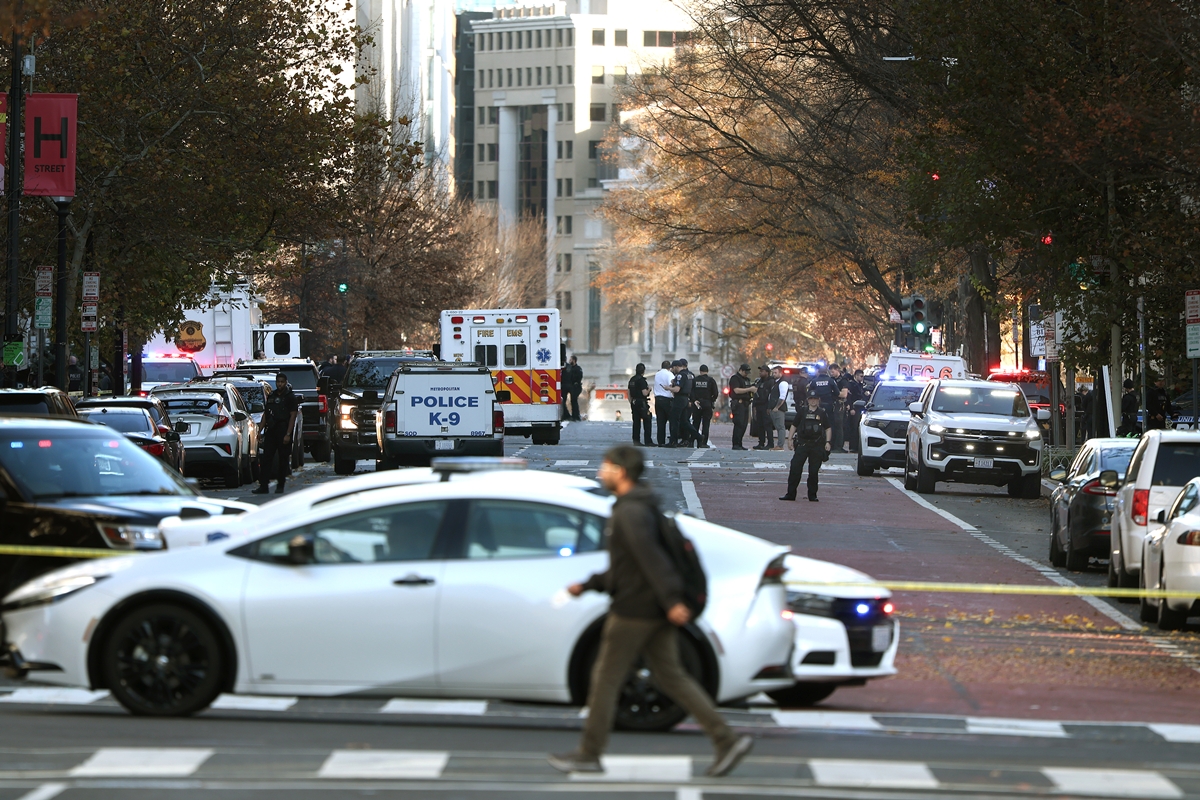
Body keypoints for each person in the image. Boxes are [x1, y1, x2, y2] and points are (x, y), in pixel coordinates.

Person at [550, 445, 754, 777]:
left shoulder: (629, 512)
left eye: (606, 467)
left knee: (605, 679)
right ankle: (726, 740)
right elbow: (629, 566)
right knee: (672, 677)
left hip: (634, 611)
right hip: (651, 607)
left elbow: (652, 560)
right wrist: (587, 585)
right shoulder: (640, 506)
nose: (601, 473)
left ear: (620, 472)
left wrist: (672, 600)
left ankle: (589, 753)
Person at [780, 388, 832, 502]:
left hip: (817, 445)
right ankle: (790, 494)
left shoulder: (822, 413)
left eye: (815, 399)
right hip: (802, 444)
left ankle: (812, 495)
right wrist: (789, 439)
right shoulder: (802, 411)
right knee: (795, 468)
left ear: (818, 400)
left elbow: (828, 428)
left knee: (813, 472)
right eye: (811, 399)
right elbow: (794, 425)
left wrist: (828, 442)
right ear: (808, 400)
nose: (813, 401)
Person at [253, 371, 300, 495]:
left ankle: (280, 485)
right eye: (278, 382)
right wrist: (260, 430)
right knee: (266, 459)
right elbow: (266, 414)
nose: (280, 384)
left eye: (282, 382)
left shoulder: (290, 397)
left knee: (283, 460)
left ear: (286, 383)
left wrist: (288, 434)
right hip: (271, 430)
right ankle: (263, 486)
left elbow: (293, 416)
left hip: (283, 429)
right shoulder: (272, 396)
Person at [668, 359, 696, 447]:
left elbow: (677, 389)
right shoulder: (690, 375)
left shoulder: (680, 375)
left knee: (675, 420)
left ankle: (673, 441)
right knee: (684, 421)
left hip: (679, 399)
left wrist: (668, 388)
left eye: (673, 368)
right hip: (687, 399)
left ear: (677, 367)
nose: (672, 370)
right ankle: (697, 436)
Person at [691, 365, 719, 448]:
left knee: (695, 423)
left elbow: (691, 392)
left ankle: (692, 442)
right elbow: (715, 393)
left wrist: (694, 400)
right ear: (707, 371)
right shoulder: (711, 380)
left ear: (700, 371)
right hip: (707, 404)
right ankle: (703, 443)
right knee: (706, 424)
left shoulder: (695, 380)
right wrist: (711, 400)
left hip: (697, 404)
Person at [728, 364, 754, 450]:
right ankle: (736, 444)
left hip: (746, 403)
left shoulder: (746, 380)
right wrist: (749, 389)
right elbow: (736, 390)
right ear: (741, 370)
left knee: (744, 425)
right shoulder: (735, 378)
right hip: (738, 403)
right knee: (738, 424)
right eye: (745, 372)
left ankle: (739, 443)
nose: (746, 374)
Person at [628, 363, 653, 445]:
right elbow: (644, 393)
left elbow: (628, 393)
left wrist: (631, 402)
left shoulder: (632, 380)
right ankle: (648, 441)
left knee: (636, 422)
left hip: (634, 402)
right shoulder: (642, 381)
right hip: (642, 403)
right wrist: (649, 389)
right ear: (643, 371)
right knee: (647, 420)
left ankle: (636, 440)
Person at [653, 360, 674, 447]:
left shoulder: (657, 374)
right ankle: (672, 440)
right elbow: (672, 385)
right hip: (667, 399)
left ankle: (660, 441)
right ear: (669, 367)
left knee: (660, 422)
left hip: (658, 399)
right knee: (672, 420)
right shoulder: (669, 374)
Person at [844, 369, 866, 453]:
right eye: (861, 376)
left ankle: (857, 446)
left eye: (863, 376)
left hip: (860, 408)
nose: (862, 378)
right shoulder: (851, 385)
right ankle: (853, 447)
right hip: (854, 408)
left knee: (858, 427)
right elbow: (849, 397)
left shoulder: (860, 385)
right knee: (854, 427)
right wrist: (851, 408)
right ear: (856, 376)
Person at [752, 365, 772, 450]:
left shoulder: (770, 382)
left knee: (767, 425)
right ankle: (761, 443)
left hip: (766, 406)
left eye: (762, 371)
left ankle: (770, 443)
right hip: (758, 405)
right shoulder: (759, 381)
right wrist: (754, 406)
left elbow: (771, 396)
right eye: (760, 371)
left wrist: (769, 407)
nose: (760, 373)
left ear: (767, 372)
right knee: (760, 425)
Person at [767, 366, 787, 451]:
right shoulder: (776, 383)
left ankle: (780, 445)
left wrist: (776, 407)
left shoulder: (783, 383)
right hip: (773, 408)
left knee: (780, 427)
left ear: (780, 373)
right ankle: (779, 445)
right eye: (773, 373)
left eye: (775, 373)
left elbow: (782, 397)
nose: (773, 374)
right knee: (778, 426)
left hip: (779, 409)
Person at [563, 355, 584, 422]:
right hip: (568, 386)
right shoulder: (568, 367)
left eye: (571, 360)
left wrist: (575, 383)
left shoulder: (578, 368)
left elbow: (579, 377)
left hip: (575, 386)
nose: (569, 361)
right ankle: (566, 415)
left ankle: (575, 416)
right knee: (563, 400)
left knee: (573, 400)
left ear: (574, 360)